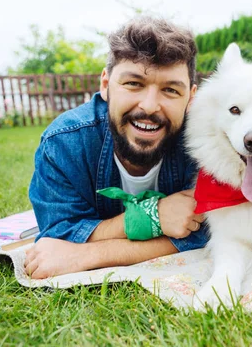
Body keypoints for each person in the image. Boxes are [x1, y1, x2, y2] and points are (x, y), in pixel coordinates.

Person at [24, 17, 208, 279]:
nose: (149, 106)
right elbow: (57, 237)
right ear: (106, 85)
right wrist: (151, 217)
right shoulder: (64, 142)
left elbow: (212, 233)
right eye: (134, 84)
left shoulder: (208, 144)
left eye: (170, 90)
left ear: (191, 97)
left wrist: (88, 254)